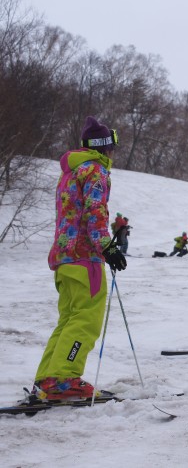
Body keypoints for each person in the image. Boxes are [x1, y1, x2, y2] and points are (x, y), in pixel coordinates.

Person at [33, 116, 126, 400]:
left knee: (69, 319)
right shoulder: (95, 171)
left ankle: (49, 376)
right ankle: (64, 379)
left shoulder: (71, 172)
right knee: (86, 319)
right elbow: (94, 212)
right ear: (105, 147)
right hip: (85, 258)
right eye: (112, 146)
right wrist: (107, 247)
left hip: (64, 258)